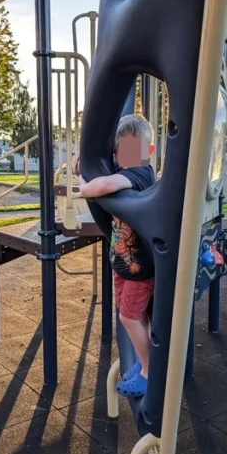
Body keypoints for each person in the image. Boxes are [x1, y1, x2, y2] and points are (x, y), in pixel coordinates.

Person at [75, 113, 157, 399]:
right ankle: (147, 361)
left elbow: (106, 186)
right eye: (121, 149)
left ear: (149, 152)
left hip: (139, 268)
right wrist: (81, 165)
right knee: (134, 317)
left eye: (133, 149)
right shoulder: (126, 171)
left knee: (129, 318)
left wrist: (84, 188)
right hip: (123, 264)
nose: (126, 155)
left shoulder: (141, 175)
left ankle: (149, 371)